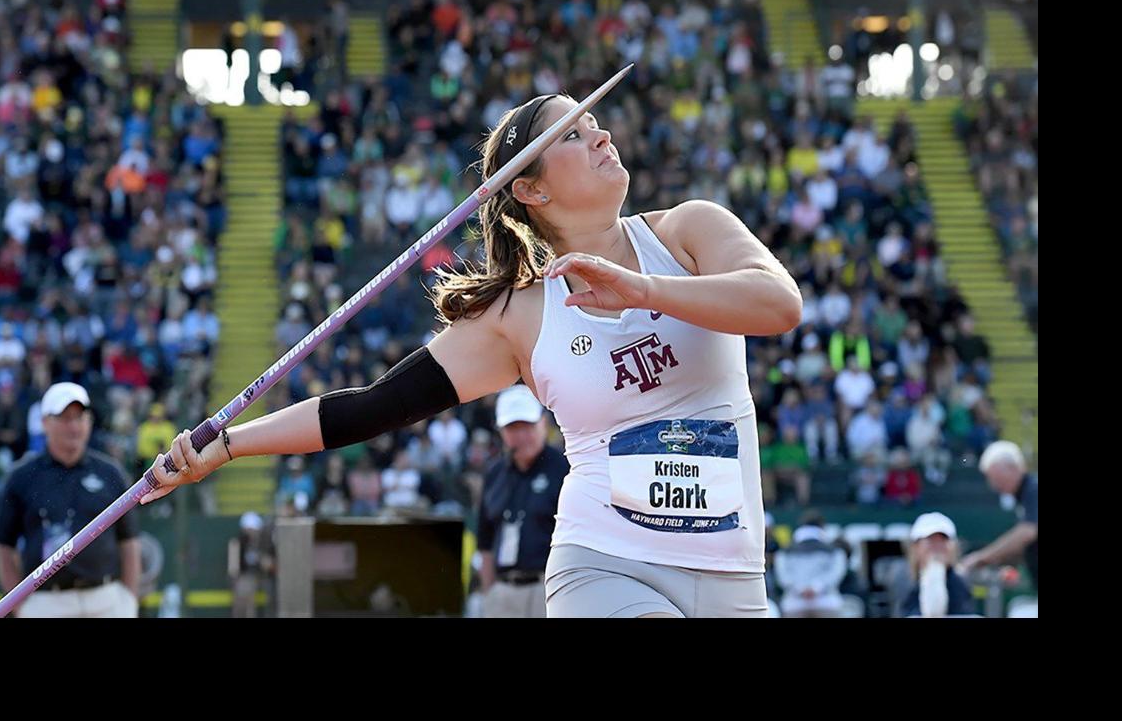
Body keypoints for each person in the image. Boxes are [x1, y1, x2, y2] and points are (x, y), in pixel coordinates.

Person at [142, 93, 802, 618]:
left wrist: (645, 289)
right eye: (572, 133)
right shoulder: (518, 315)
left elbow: (778, 305)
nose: (601, 135)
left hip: (733, 570)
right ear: (531, 191)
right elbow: (374, 405)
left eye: (595, 122)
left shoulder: (689, 231)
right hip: (606, 560)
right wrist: (225, 446)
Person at [0, 382, 141, 618]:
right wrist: (21, 606)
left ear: (89, 421)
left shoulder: (111, 473)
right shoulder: (21, 477)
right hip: (46, 602)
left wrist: (129, 599)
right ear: (45, 423)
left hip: (107, 599)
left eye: (79, 417)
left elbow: (129, 540)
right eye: (64, 418)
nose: (73, 426)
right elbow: (3, 545)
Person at [475, 385, 568, 618]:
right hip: (503, 591)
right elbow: (485, 540)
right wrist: (489, 591)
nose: (521, 435)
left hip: (549, 590)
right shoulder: (494, 473)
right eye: (512, 428)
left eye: (527, 425)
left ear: (543, 424)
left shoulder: (565, 469)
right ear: (501, 431)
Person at [958, 440, 1037, 591]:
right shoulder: (1024, 495)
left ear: (1012, 468)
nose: (994, 485)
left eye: (995, 477)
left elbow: (1028, 531)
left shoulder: (1033, 489)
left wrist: (982, 557)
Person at [900, 511, 976, 618]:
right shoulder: (903, 581)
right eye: (930, 540)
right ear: (916, 546)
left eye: (943, 540)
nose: (937, 547)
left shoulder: (958, 583)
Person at [773, 515, 847, 618]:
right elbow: (836, 572)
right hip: (804, 602)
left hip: (810, 602)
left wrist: (805, 589)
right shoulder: (836, 550)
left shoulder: (784, 552)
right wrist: (813, 589)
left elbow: (784, 576)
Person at [228, 511, 275, 618]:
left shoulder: (262, 543)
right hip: (244, 578)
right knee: (242, 602)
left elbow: (267, 563)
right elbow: (234, 566)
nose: (254, 532)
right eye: (252, 529)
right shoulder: (238, 542)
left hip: (259, 577)